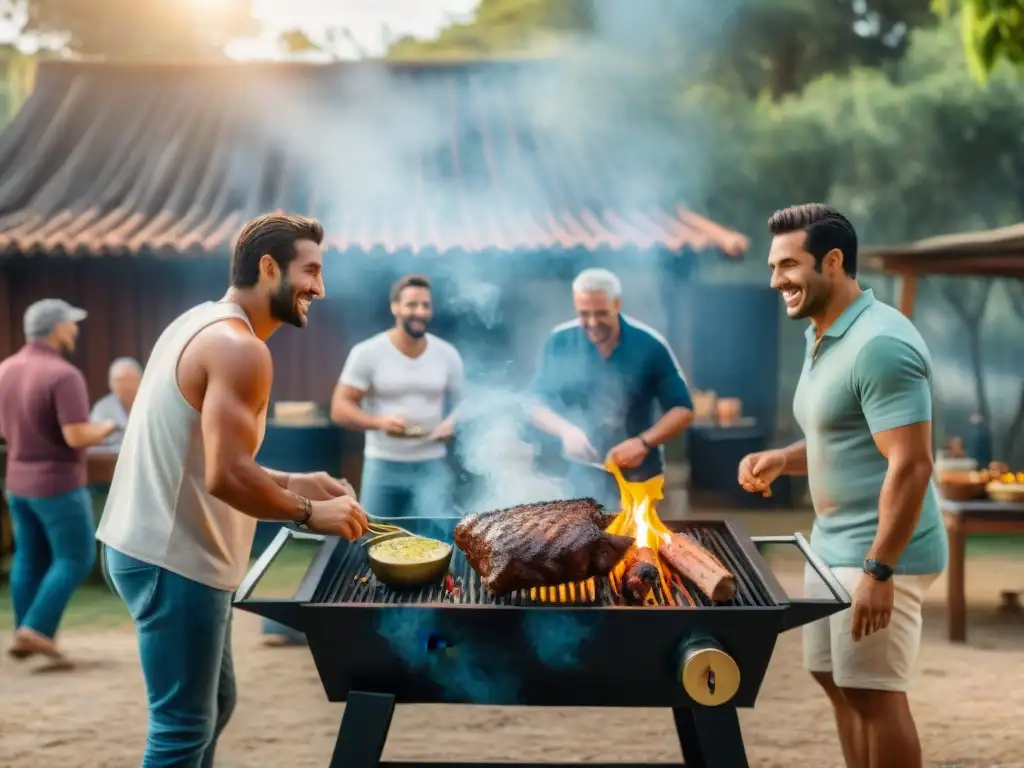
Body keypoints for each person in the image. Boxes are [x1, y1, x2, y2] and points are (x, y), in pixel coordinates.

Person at [95, 213, 370, 768]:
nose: (320, 287)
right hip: (172, 561)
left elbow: (208, 461)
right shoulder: (240, 349)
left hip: (154, 549)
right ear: (269, 268)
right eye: (310, 271)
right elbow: (225, 477)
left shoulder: (201, 322)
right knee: (180, 728)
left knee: (215, 706)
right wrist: (309, 511)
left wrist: (293, 480)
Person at [737, 204, 946, 768]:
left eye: (788, 264)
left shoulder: (880, 344)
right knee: (836, 682)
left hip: (879, 551)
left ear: (833, 261)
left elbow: (911, 464)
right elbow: (845, 435)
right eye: (773, 265)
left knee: (876, 693)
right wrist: (784, 457)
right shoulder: (822, 333)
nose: (776, 279)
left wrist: (881, 569)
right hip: (829, 544)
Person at [0, 299, 116, 665]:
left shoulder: (5, 369)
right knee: (76, 557)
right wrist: (108, 428)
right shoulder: (63, 374)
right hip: (58, 484)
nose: (75, 330)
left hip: (16, 482)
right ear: (55, 328)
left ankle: (26, 632)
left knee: (27, 558)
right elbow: (77, 435)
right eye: (71, 324)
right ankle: (36, 629)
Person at [529, 268, 694, 508]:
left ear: (617, 304)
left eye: (601, 313)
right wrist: (566, 431)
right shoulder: (559, 341)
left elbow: (683, 409)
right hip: (575, 479)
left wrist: (643, 442)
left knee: (636, 543)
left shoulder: (650, 344)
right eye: (584, 314)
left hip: (639, 478)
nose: (593, 323)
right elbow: (533, 403)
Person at [331, 273, 464, 518]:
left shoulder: (447, 354)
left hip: (432, 467)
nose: (420, 312)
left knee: (434, 541)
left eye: (426, 305)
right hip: (383, 466)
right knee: (376, 538)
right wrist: (378, 423)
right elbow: (340, 408)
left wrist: (453, 423)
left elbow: (465, 403)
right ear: (395, 307)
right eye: (412, 304)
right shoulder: (368, 352)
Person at [89, 356, 143, 452]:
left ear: (141, 380)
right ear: (110, 383)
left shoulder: (152, 405)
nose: (125, 385)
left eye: (130, 380)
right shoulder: (102, 408)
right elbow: (94, 442)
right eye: (119, 380)